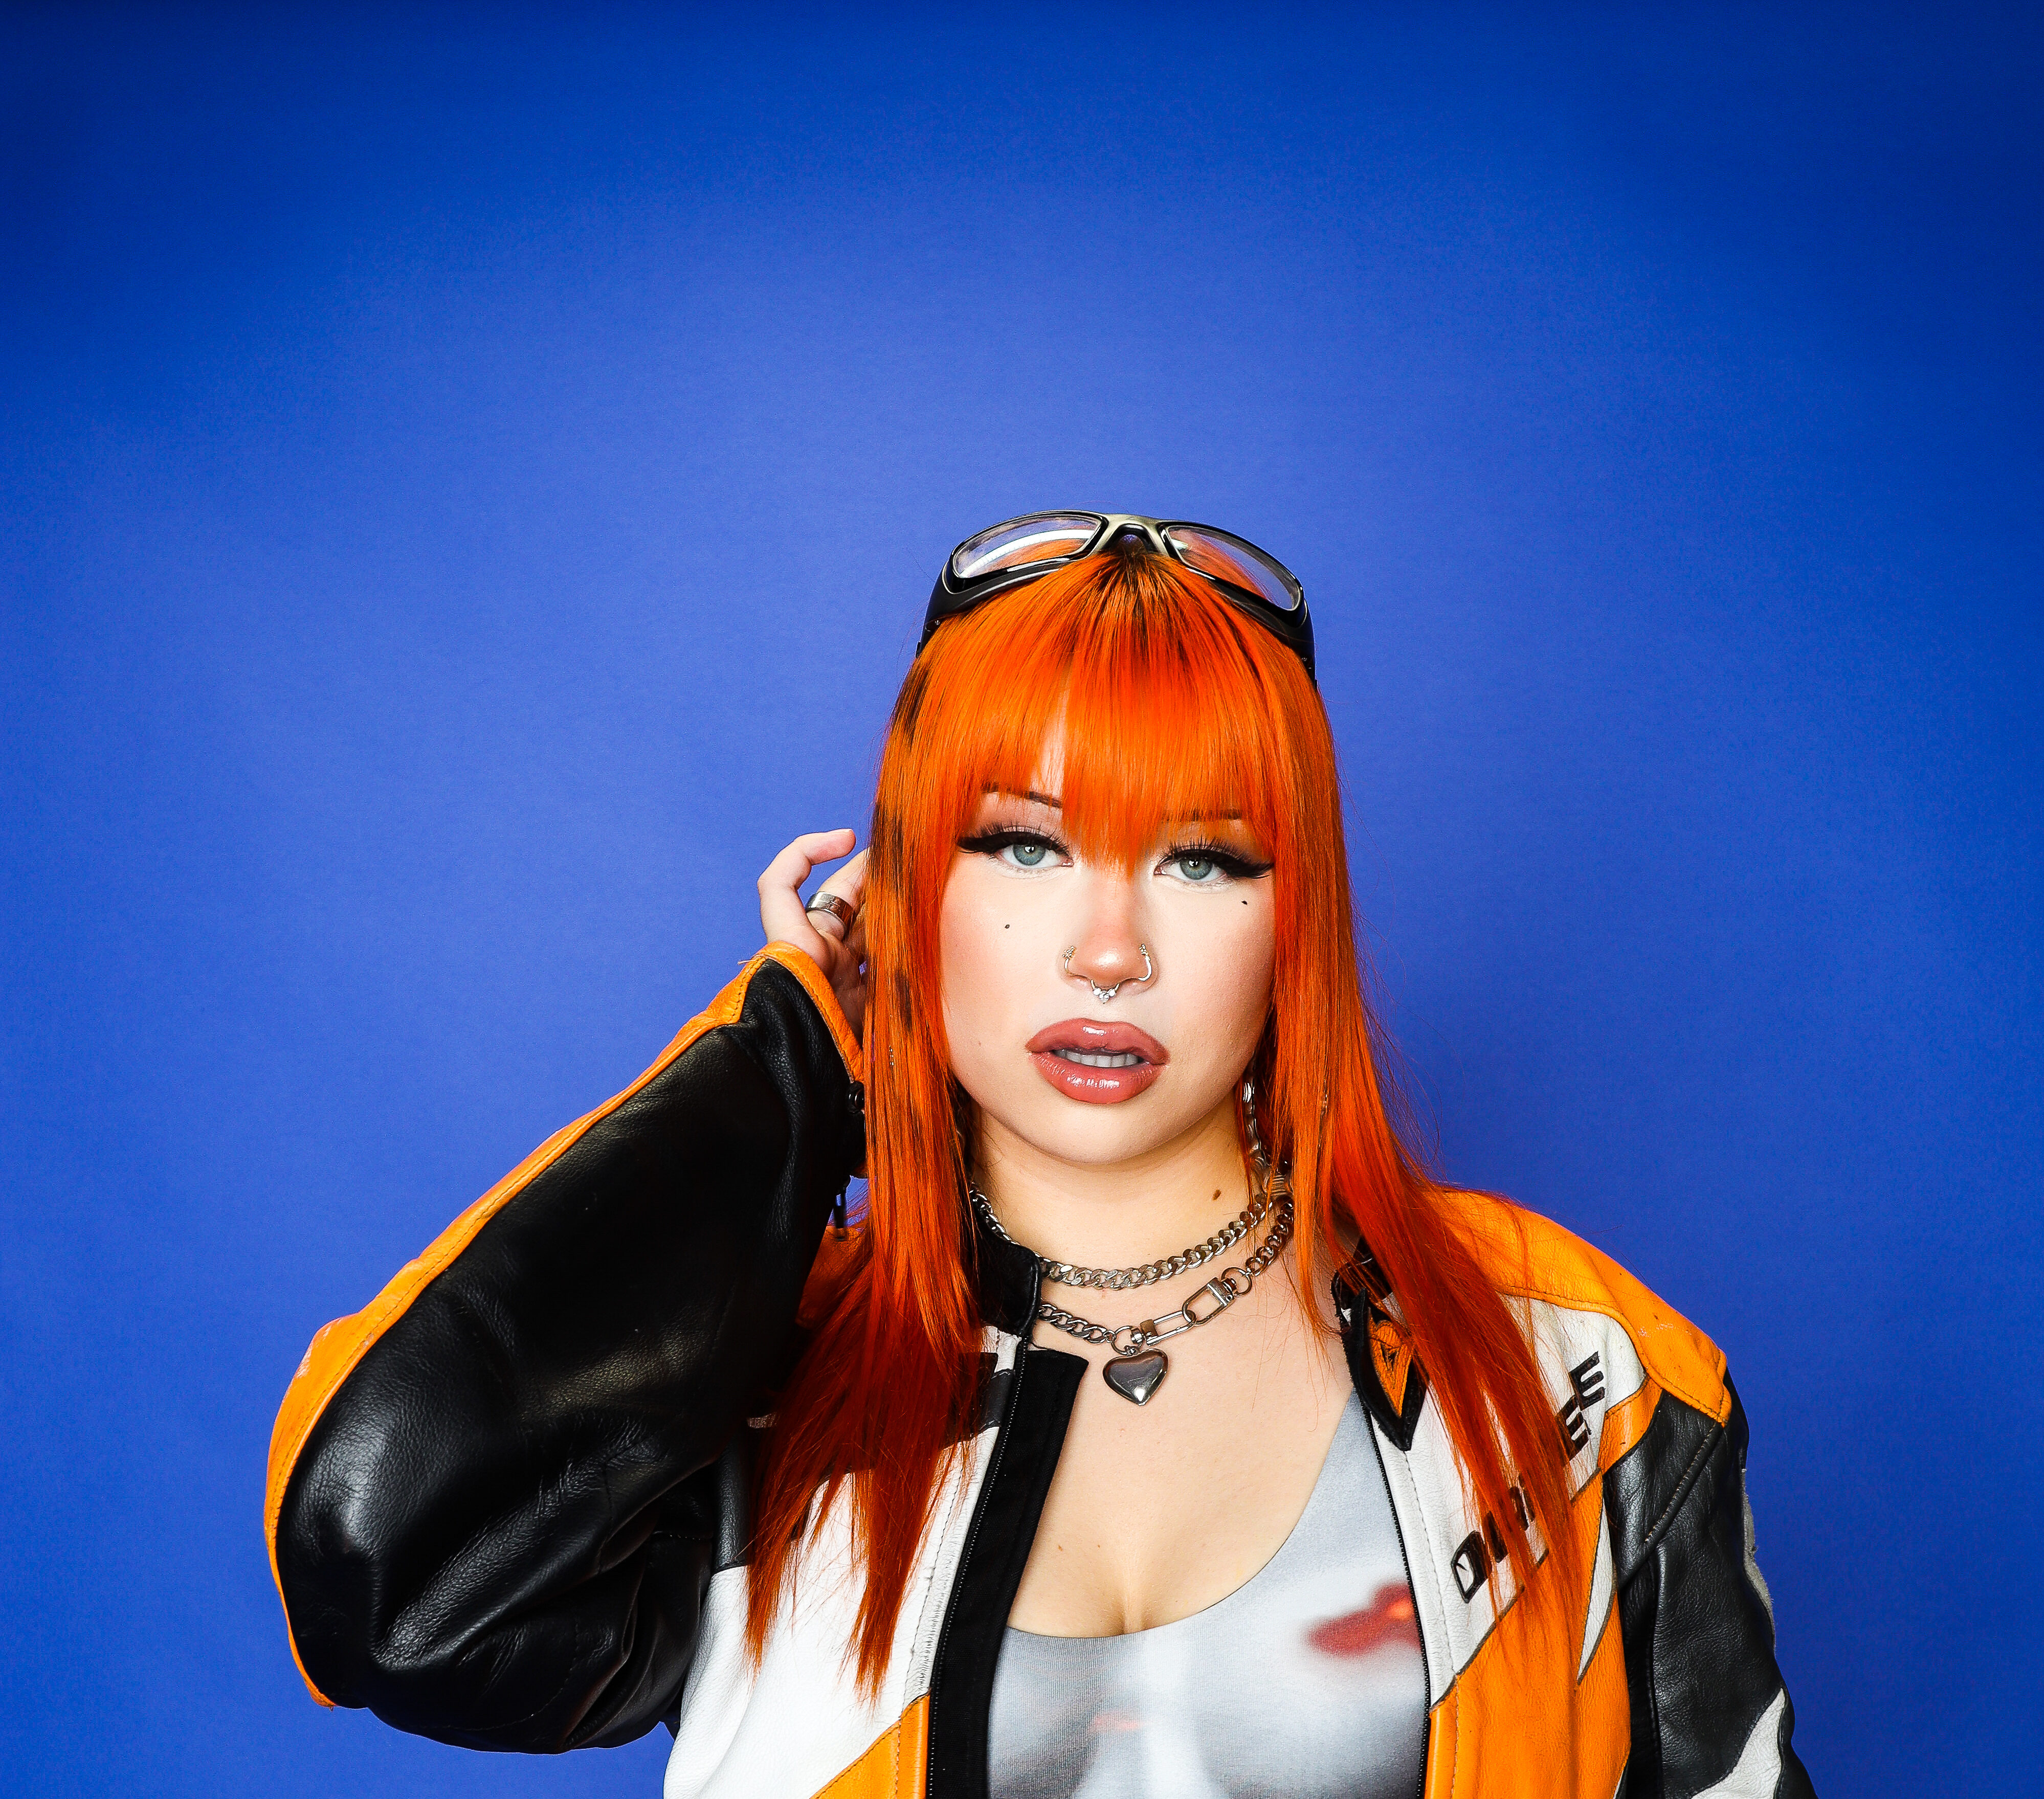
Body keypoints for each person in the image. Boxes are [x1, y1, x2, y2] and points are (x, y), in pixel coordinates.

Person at [264, 513, 1813, 1799]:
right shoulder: (750, 1389)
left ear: (1297, 914)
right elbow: (387, 1578)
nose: (1108, 949)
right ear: (904, 889)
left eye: (1201, 857)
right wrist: (793, 1066)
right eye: (1022, 842)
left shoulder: (1571, 1361)